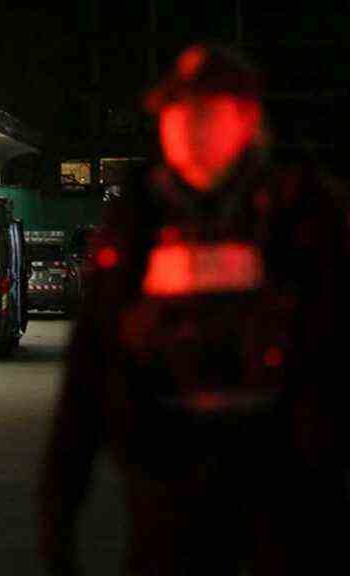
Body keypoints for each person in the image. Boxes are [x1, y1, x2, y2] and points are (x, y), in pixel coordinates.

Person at [39, 43, 350, 575]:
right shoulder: (136, 220)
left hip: (283, 499)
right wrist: (59, 506)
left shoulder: (306, 215)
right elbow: (91, 365)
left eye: (204, 111)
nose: (185, 127)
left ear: (248, 118)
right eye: (173, 112)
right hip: (165, 497)